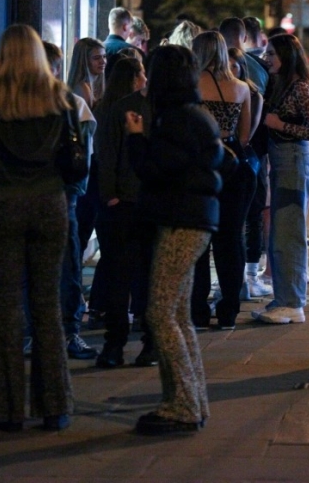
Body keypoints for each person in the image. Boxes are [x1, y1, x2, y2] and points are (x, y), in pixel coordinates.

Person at [0, 24, 74, 431]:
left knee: (7, 305)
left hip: (3, 205)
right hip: (49, 203)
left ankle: (7, 410)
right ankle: (55, 406)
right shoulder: (58, 98)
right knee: (47, 304)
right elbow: (72, 159)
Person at [125, 45, 222, 435]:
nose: (145, 80)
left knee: (161, 312)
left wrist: (135, 137)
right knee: (178, 314)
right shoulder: (193, 115)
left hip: (183, 221)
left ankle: (182, 405)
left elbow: (154, 169)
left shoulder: (177, 120)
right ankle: (189, 401)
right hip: (193, 220)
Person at [252, 33, 309, 325]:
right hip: (282, 161)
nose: (267, 59)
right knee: (280, 235)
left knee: (288, 235)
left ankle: (292, 303)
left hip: (294, 160)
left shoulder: (300, 88)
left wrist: (279, 124)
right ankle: (283, 299)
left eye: (271, 54)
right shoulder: (279, 85)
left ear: (286, 57)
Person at [92, 56, 156, 368]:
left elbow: (107, 153)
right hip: (139, 203)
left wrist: (110, 195)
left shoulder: (126, 107)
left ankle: (119, 344)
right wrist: (111, 195)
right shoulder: (131, 107)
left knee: (124, 275)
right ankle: (139, 343)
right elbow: (109, 153)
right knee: (138, 276)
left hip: (133, 203)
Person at [190, 31, 254, 330]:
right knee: (231, 240)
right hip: (233, 167)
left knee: (199, 238)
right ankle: (229, 309)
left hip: (201, 166)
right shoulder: (241, 88)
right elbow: (244, 135)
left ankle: (198, 310)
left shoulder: (192, 85)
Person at [42, 41, 98, 360]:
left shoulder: (71, 104)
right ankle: (55, 330)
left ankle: (69, 329)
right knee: (58, 264)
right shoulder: (28, 102)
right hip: (51, 194)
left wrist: (75, 191)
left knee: (67, 263)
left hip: (61, 195)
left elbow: (83, 154)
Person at [228, 46, 271, 299]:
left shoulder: (252, 93)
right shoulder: (223, 91)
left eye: (235, 66)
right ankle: (235, 279)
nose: (231, 71)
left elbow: (248, 135)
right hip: (229, 160)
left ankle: (251, 276)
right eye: (228, 66)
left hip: (248, 160)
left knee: (252, 216)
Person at [66, 38, 105, 295]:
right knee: (82, 226)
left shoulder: (92, 87)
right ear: (84, 60)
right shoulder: (82, 90)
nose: (102, 62)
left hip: (91, 164)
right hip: (88, 166)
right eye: (96, 58)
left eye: (103, 57)